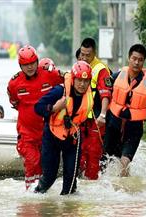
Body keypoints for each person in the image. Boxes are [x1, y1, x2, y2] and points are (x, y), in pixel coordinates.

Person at [7, 45, 63, 190]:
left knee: (47, 165)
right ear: (20, 66)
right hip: (27, 133)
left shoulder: (50, 74)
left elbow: (67, 81)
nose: (30, 67)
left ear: (37, 61)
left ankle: (42, 194)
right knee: (33, 162)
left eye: (32, 63)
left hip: (48, 131)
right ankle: (31, 198)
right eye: (26, 65)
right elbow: (14, 102)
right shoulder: (14, 83)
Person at [104, 44, 146, 177]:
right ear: (129, 58)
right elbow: (103, 92)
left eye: (140, 60)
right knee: (106, 162)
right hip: (113, 125)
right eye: (134, 58)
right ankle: (109, 191)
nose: (137, 62)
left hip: (134, 129)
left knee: (124, 163)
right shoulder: (117, 76)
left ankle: (123, 194)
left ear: (144, 61)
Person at [34, 61, 94, 195]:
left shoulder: (89, 95)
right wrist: (54, 108)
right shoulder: (59, 91)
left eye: (86, 81)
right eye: (79, 80)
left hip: (72, 139)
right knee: (49, 177)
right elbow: (38, 107)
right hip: (52, 136)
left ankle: (68, 212)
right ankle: (37, 198)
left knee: (71, 182)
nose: (82, 84)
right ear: (73, 78)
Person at [78, 37, 112, 180]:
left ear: (94, 53)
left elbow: (106, 94)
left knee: (93, 154)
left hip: (96, 120)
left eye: (88, 55)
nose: (84, 58)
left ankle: (92, 184)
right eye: (82, 54)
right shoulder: (78, 67)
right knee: (79, 154)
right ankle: (80, 183)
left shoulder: (101, 69)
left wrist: (103, 114)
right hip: (80, 119)